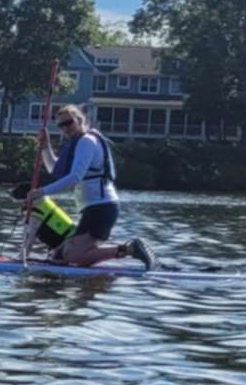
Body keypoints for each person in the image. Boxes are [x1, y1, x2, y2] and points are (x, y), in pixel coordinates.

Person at [25, 104, 157, 270]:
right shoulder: (78, 143)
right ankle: (122, 253)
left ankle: (131, 249)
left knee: (71, 257)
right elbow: (54, 169)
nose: (65, 128)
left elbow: (75, 177)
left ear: (80, 120)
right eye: (61, 125)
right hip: (93, 208)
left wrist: (41, 192)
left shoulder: (86, 142)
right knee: (60, 255)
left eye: (69, 123)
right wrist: (45, 146)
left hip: (101, 208)